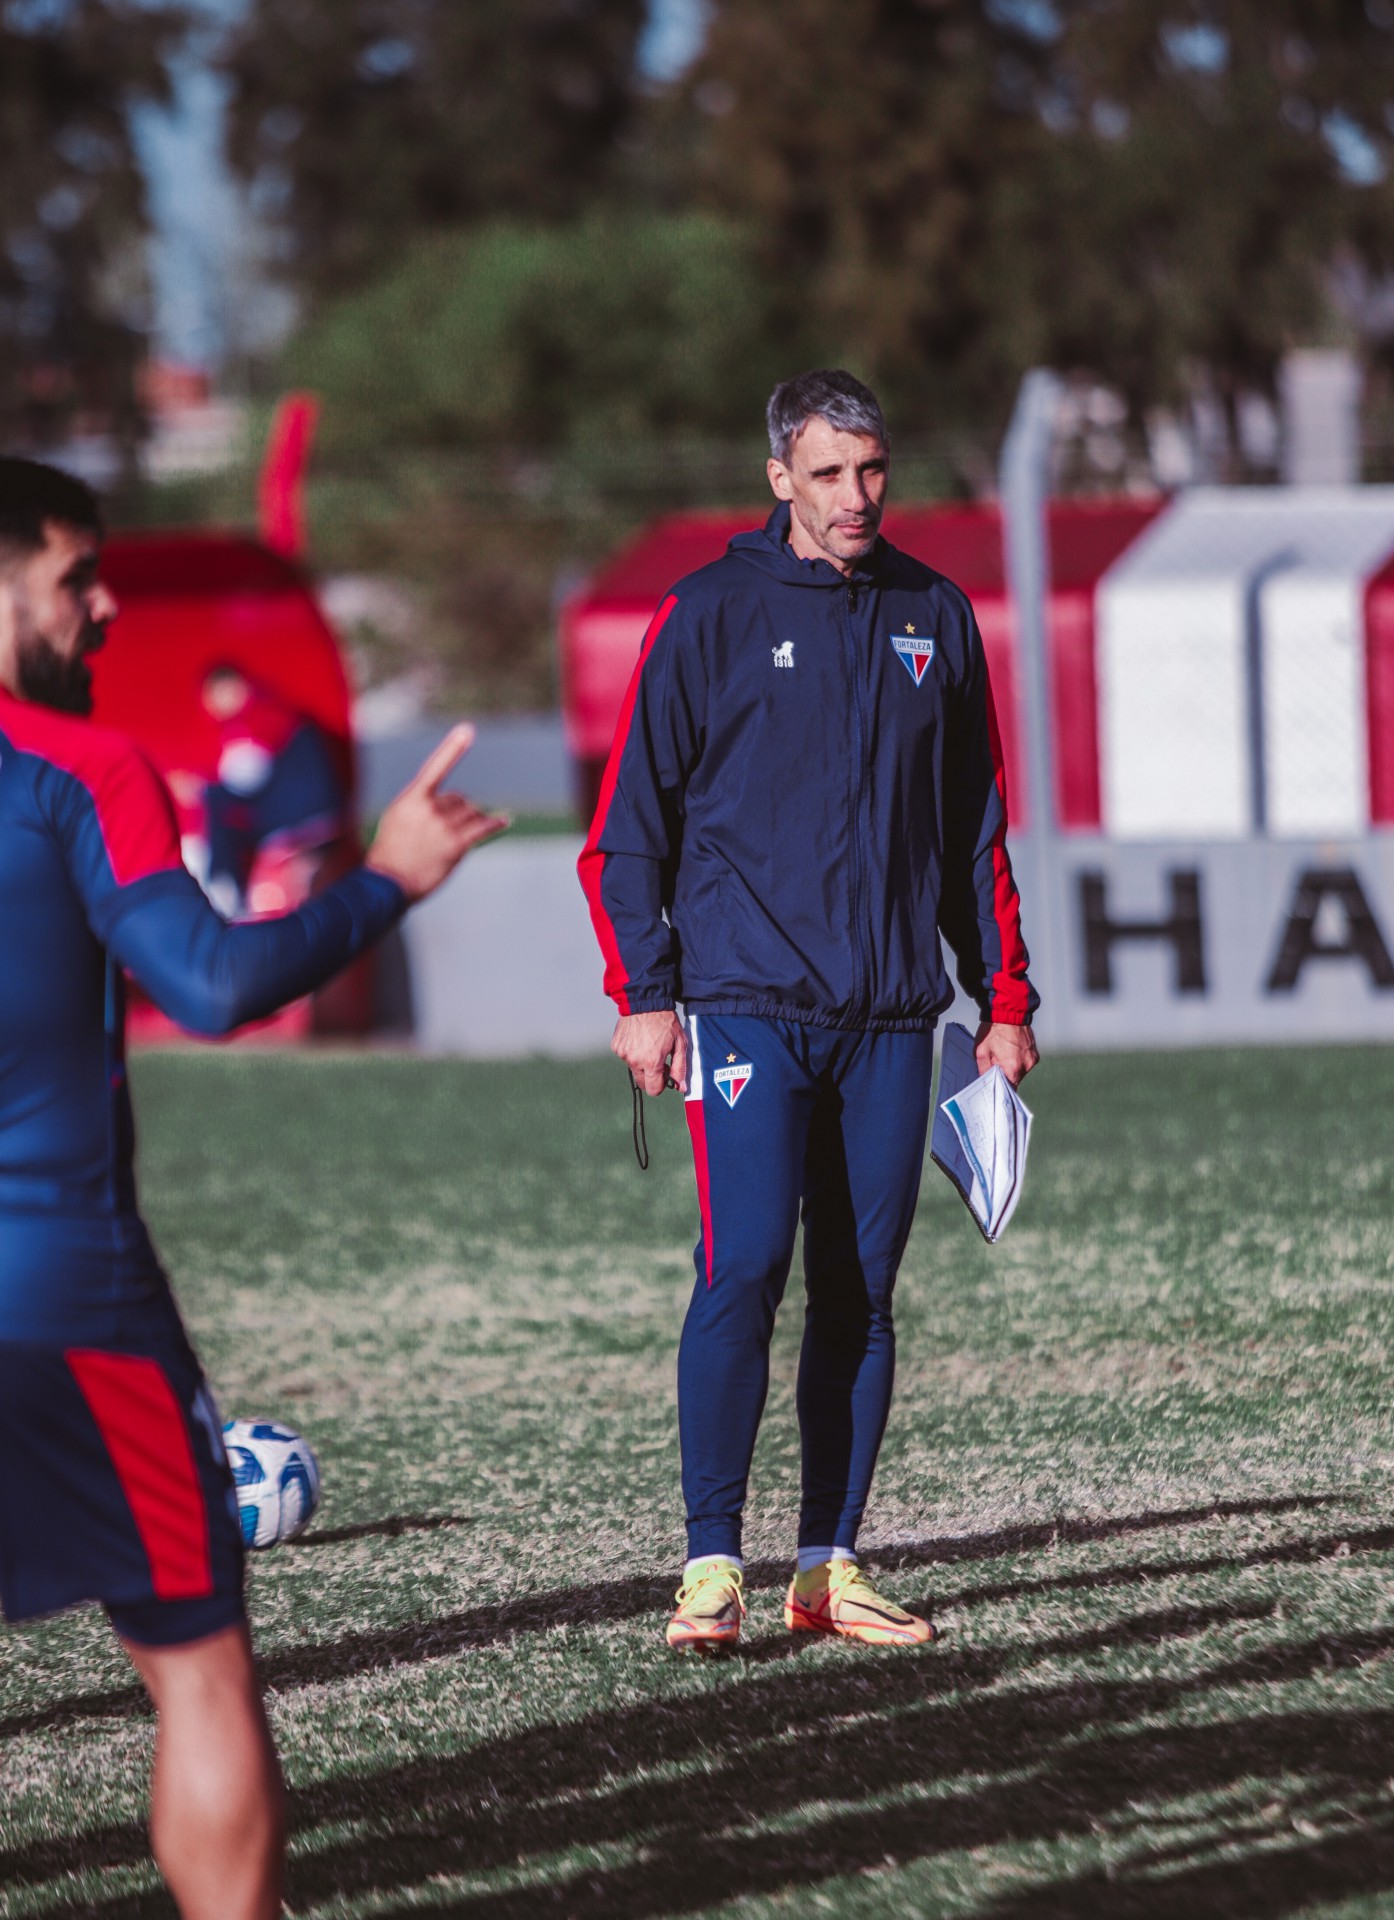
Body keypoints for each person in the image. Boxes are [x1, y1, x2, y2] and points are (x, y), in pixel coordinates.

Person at [0, 456, 506, 1919]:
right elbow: (212, 982)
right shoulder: (74, 773)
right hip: (61, 1293)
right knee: (197, 1662)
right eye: (75, 579)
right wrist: (388, 880)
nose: (105, 612)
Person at [579, 370, 1038, 1655]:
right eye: (828, 473)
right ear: (779, 476)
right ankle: (709, 1566)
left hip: (894, 1015)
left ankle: (829, 1567)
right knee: (743, 1268)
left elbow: (971, 833)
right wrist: (645, 994)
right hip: (742, 1007)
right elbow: (628, 832)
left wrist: (1001, 999)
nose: (855, 497)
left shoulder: (934, 615)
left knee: (862, 1291)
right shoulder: (708, 613)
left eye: (873, 470)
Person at [197, 665, 347, 918]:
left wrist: (199, 787)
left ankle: (222, 889)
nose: (211, 704)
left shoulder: (259, 716)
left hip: (296, 819)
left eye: (214, 694)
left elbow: (246, 779)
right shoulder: (273, 709)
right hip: (315, 813)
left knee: (214, 799)